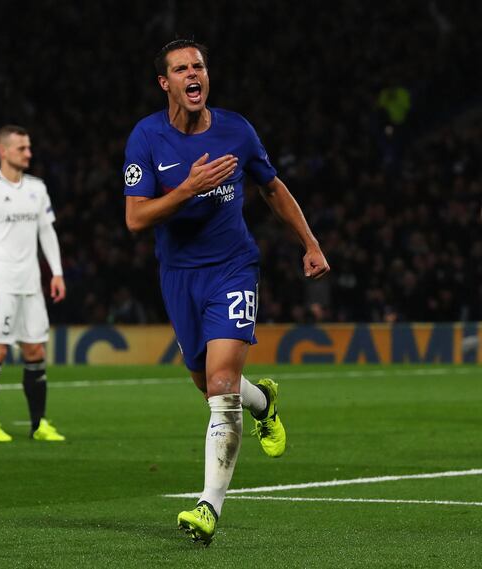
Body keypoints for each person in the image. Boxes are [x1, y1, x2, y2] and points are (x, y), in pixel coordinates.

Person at [123, 40, 330, 545]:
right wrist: (186, 190)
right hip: (178, 276)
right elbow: (135, 218)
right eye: (181, 69)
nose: (193, 74)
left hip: (233, 268)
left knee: (219, 385)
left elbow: (272, 187)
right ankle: (263, 401)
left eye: (199, 66)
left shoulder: (237, 130)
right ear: (165, 83)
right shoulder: (146, 138)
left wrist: (310, 242)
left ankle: (208, 506)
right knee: (208, 383)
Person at [0, 125, 66, 442]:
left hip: (31, 283)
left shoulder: (37, 188)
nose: (28, 153)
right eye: (22, 148)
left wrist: (57, 272)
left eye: (29, 147)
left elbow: (47, 231)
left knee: (35, 349)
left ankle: (39, 425)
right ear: (3, 151)